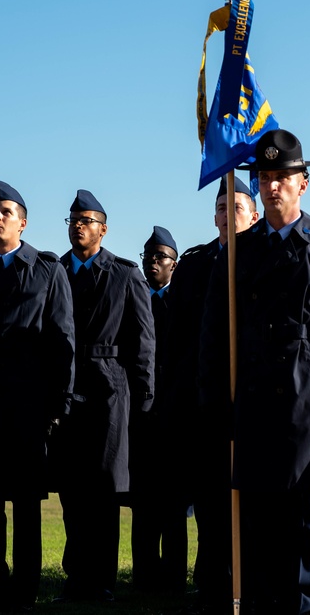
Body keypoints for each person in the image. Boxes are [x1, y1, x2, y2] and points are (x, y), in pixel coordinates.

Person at [199, 129, 310, 615]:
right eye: (265, 178)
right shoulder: (238, 250)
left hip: (309, 402)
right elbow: (215, 332)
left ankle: (309, 608)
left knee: (309, 519)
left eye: (282, 178)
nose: (272, 187)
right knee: (259, 518)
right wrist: (214, 398)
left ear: (303, 184)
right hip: (250, 397)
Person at [0, 181, 75, 614]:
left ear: (23, 222)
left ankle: (23, 595)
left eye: (5, 211)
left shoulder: (46, 269)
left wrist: (58, 406)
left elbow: (63, 341)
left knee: (25, 510)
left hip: (26, 409)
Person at [49, 189, 154, 603]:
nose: (79, 226)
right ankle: (76, 579)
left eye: (88, 220)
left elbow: (144, 343)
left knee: (106, 491)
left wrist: (144, 400)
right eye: (74, 220)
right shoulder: (53, 271)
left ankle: (102, 582)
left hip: (111, 391)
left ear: (103, 229)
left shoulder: (126, 274)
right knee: (72, 491)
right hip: (66, 389)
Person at [163, 175, 259, 614]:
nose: (227, 214)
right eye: (222, 207)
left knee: (254, 499)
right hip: (203, 400)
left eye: (237, 207)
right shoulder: (196, 264)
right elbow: (178, 333)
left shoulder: (265, 258)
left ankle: (251, 581)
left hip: (256, 398)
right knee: (209, 499)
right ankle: (213, 582)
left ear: (254, 215)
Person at [131, 225, 186, 594]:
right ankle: (144, 576)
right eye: (148, 256)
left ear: (174, 264)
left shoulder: (182, 302)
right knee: (143, 504)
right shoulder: (135, 297)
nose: (153, 262)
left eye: (161, 257)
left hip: (176, 415)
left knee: (175, 504)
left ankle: (174, 577)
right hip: (140, 416)